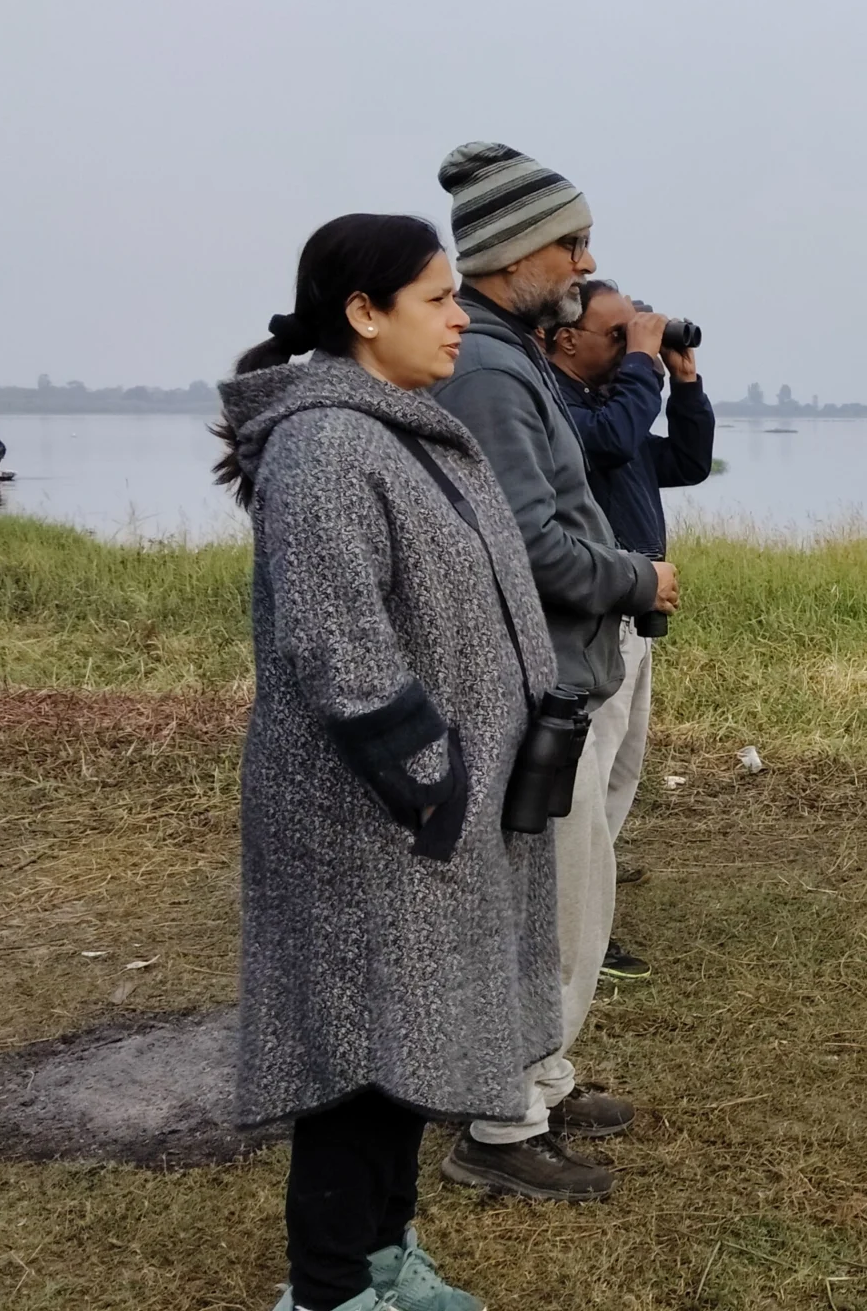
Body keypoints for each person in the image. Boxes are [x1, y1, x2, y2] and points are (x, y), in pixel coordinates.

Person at [215, 212, 554, 1311]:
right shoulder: (324, 445)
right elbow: (337, 644)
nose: (459, 318)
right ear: (364, 313)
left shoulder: (397, 430)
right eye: (438, 299)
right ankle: (327, 1292)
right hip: (364, 815)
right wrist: (434, 781)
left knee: (410, 1043)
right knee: (355, 1062)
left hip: (416, 819)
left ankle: (384, 1256)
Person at [427, 143, 678, 1201]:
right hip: (531, 680)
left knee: (569, 895)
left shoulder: (504, 352)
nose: (584, 262)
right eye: (570, 242)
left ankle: (541, 1078)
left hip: (548, 673)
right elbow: (527, 543)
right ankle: (501, 1123)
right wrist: (635, 577)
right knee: (546, 912)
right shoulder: (488, 369)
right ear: (510, 251)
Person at [542, 277, 717, 980]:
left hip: (635, 611)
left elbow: (689, 463)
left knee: (621, 767)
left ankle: (594, 895)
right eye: (617, 334)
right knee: (588, 772)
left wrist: (685, 384)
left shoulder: (609, 406)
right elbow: (613, 444)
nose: (630, 345)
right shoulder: (559, 410)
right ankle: (572, 924)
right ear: (564, 340)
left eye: (633, 333)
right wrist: (644, 364)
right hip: (592, 617)